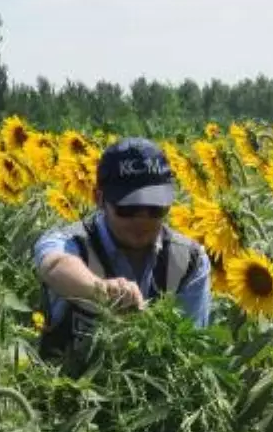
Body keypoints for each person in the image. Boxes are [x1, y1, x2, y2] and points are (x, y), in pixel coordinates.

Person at [33, 138, 211, 369]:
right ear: (99, 199)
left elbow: (191, 354)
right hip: (64, 395)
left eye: (155, 208)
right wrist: (102, 291)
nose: (142, 219)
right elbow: (54, 265)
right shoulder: (73, 242)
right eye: (128, 208)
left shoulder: (189, 262)